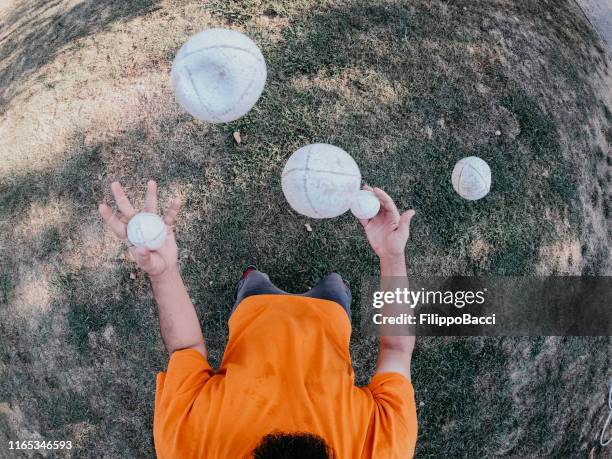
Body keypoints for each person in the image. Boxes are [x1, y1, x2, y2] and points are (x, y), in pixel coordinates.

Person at [99, 180, 417, 458]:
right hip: (329, 313)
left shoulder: (189, 449)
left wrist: (165, 273)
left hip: (257, 306)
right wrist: (392, 256)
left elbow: (185, 348)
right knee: (335, 285)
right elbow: (396, 350)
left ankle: (252, 280)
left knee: (255, 281)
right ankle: (331, 287)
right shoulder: (383, 452)